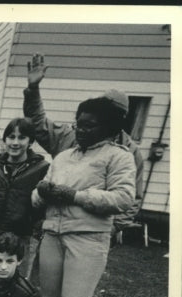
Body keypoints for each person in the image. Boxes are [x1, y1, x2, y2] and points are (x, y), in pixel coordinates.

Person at [31, 97, 136, 297]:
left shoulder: (119, 157)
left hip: (88, 239)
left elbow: (122, 199)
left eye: (90, 126)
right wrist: (41, 193)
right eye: (79, 123)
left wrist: (74, 195)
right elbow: (40, 198)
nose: (81, 130)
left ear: (109, 127)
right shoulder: (62, 157)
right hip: (52, 234)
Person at [23, 53, 145, 233]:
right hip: (53, 228)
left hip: (91, 234)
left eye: (114, 113)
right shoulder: (70, 136)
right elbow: (37, 123)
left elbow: (131, 198)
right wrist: (33, 90)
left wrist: (113, 228)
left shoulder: (128, 153)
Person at [0, 117, 50, 278]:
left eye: (21, 137)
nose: (15, 142)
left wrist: (36, 227)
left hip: (21, 237)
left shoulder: (42, 168)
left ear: (31, 141)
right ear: (5, 139)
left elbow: (44, 206)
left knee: (16, 282)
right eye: (11, 137)